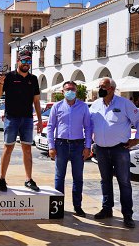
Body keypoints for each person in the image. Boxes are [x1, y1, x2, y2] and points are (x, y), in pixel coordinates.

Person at [89, 77, 139, 228]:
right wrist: (88, 144)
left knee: (124, 182)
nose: (100, 89)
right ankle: (107, 209)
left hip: (120, 149)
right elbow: (88, 125)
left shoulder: (124, 103)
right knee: (105, 181)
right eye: (99, 86)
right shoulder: (95, 105)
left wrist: (137, 138)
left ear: (112, 89)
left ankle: (127, 215)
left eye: (103, 87)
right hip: (100, 149)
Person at [0, 49, 43, 192]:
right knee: (8, 148)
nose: (26, 63)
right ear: (18, 61)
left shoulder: (33, 79)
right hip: (11, 118)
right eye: (24, 61)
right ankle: (2, 179)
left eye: (29, 61)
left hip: (27, 119)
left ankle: (28, 179)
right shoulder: (9, 77)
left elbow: (36, 101)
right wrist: (1, 84)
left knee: (27, 149)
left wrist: (40, 120)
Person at [47, 81, 92, 217]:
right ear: (62, 92)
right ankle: (58, 207)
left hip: (78, 145)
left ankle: (77, 206)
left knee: (78, 177)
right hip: (61, 145)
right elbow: (50, 127)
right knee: (59, 177)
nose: (70, 91)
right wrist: (51, 146)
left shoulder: (83, 107)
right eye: (67, 89)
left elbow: (88, 127)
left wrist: (88, 146)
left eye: (72, 89)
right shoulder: (57, 107)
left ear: (76, 91)